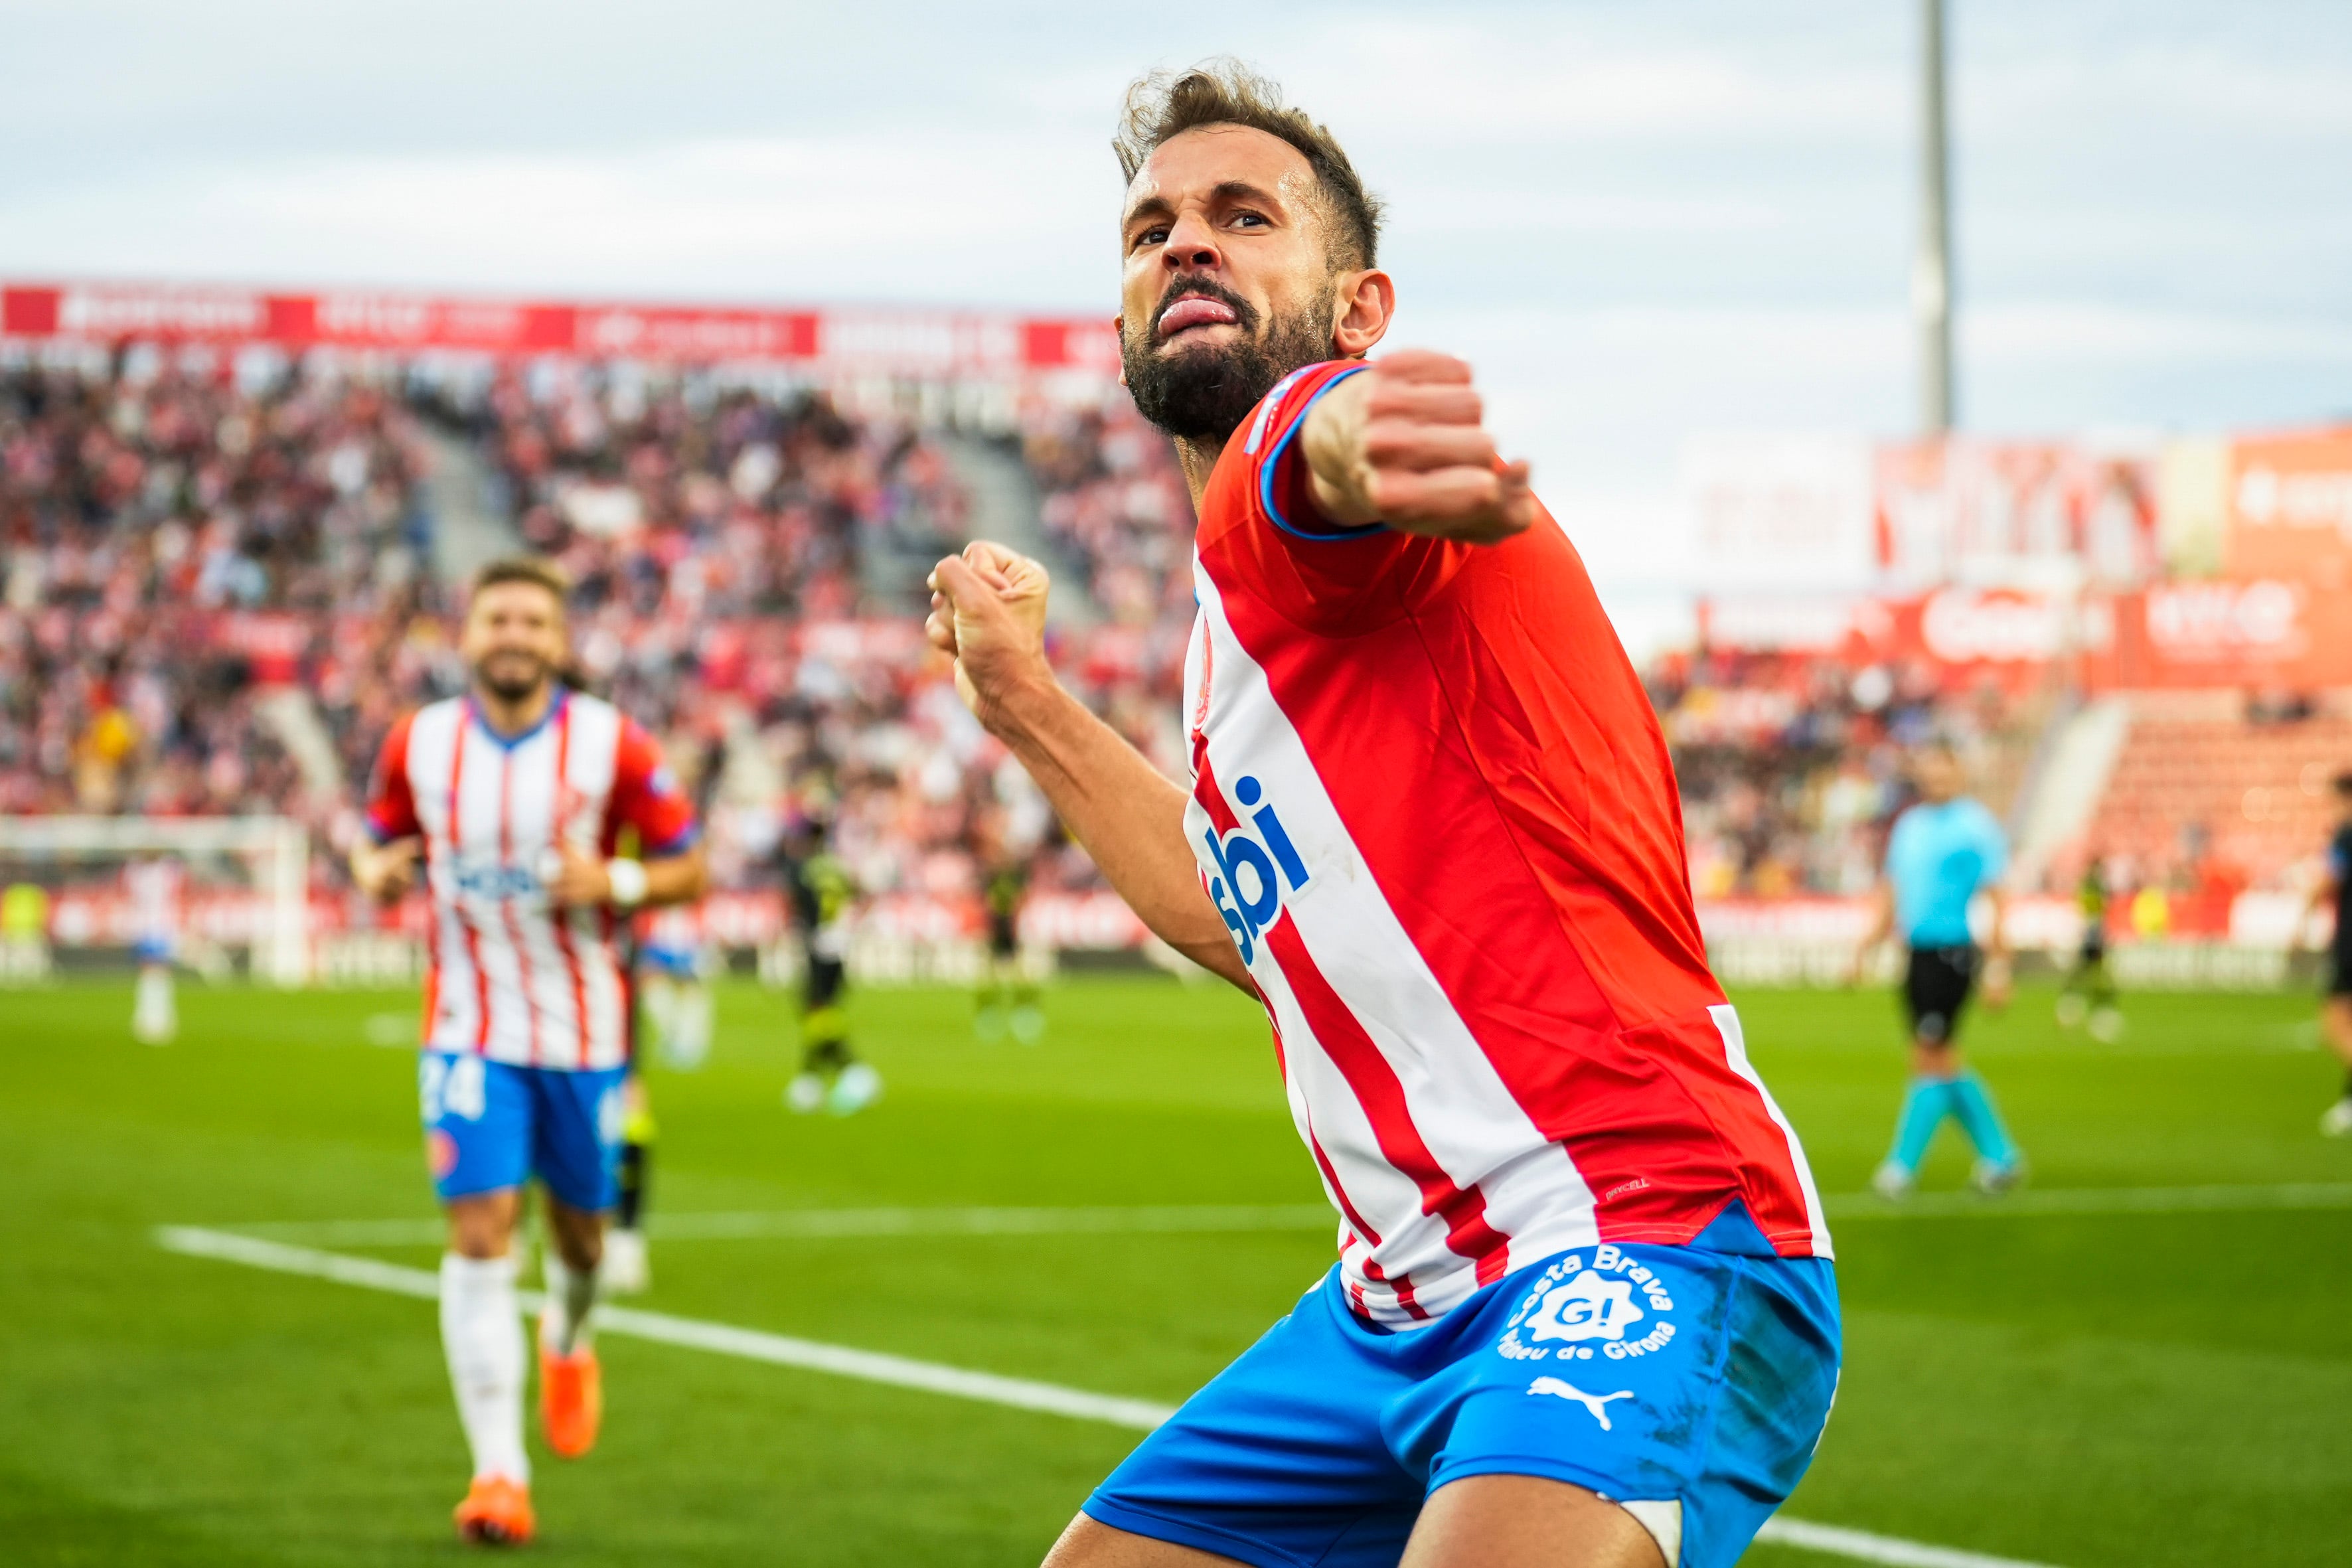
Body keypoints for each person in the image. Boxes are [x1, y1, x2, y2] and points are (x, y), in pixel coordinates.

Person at [925, 63, 1836, 1568]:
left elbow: (1325, 453)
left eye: (1243, 216)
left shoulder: (1301, 487)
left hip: (1641, 1225)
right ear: (1121, 324)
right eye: (1152, 227)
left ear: (1359, 311)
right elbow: (1245, 924)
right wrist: (1019, 697)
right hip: (1389, 1301)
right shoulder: (1232, 649)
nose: (1186, 244)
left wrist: (1378, 440)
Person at [350, 556, 707, 1546]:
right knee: (479, 1232)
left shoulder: (612, 745)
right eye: (496, 616)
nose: (513, 634)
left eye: (531, 621)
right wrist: (372, 867)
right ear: (468, 634)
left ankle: (570, 1335)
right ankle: (498, 1473)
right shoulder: (416, 743)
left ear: (557, 642)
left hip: (584, 1034)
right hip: (465, 1030)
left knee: (582, 1239)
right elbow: (376, 837)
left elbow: (689, 863)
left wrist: (619, 884)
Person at [1850, 742, 2025, 1200]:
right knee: (1939, 1060)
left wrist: (1999, 968)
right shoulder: (1909, 825)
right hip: (1916, 954)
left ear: (1958, 776)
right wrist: (1862, 949)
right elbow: (1891, 890)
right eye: (1929, 774)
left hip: (1952, 954)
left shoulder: (1975, 826)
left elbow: (1997, 899)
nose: (1936, 782)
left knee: (1930, 1056)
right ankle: (2001, 1157)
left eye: (1944, 774)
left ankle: (1900, 1168)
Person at [781, 819, 882, 1115]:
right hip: (840, 941)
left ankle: (852, 1071)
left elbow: (800, 910)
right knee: (822, 1009)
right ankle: (810, 1079)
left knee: (818, 1010)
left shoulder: (804, 869)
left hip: (819, 944)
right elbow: (862, 897)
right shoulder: (838, 866)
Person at [2302, 772, 2352, 1136]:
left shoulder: (2346, 835)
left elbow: (2330, 880)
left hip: (2350, 940)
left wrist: (2304, 912)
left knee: (2334, 1022)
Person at [975, 821, 1043, 1044]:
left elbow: (1022, 899)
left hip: (1013, 931)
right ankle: (989, 1016)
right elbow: (987, 902)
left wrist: (1010, 908)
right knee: (990, 978)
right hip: (996, 931)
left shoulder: (1016, 873)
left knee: (1022, 977)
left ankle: (1024, 1015)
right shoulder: (991, 874)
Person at [2054, 852, 2121, 1041]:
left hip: (2095, 934)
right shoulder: (2093, 886)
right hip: (2091, 934)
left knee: (2092, 972)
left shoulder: (2095, 886)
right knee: (2090, 972)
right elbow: (2091, 909)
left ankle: (2079, 1005)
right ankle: (2085, 1006)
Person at [124, 855, 183, 1045]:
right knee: (150, 969)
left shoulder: (166, 869)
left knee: (158, 969)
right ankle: (150, 1015)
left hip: (162, 925)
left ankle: (159, 1015)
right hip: (143, 926)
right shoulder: (136, 870)